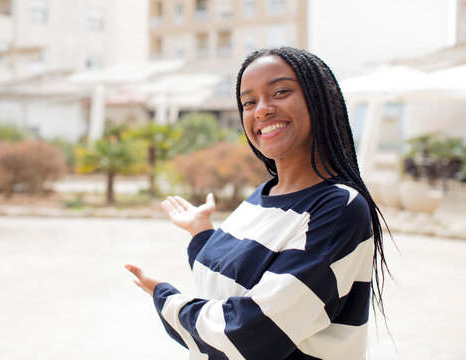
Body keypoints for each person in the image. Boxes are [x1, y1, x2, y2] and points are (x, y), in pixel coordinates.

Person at [125, 47, 390, 360]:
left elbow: (253, 332)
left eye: (280, 91)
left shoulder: (338, 208)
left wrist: (166, 298)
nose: (262, 110)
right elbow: (233, 279)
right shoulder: (264, 194)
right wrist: (201, 233)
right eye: (248, 102)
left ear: (321, 100)